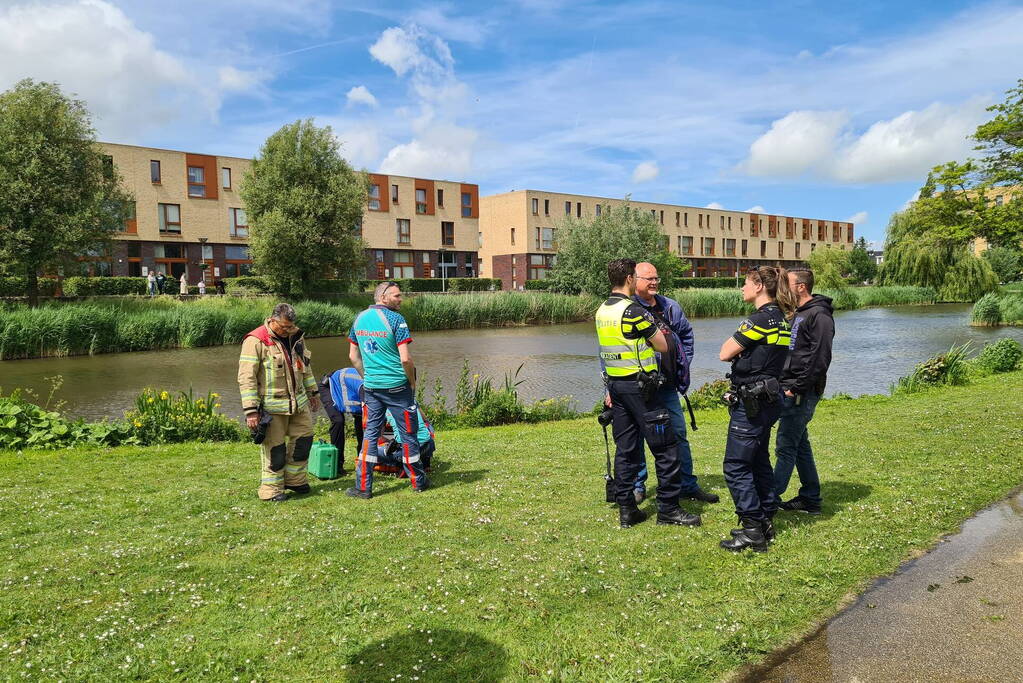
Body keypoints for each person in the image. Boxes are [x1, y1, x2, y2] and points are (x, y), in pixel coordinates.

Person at [597, 258, 700, 529]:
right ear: (630, 279)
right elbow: (663, 344)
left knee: (627, 450)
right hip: (642, 388)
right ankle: (668, 509)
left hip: (617, 388)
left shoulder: (603, 310)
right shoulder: (633, 311)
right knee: (666, 449)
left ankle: (627, 510)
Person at [717, 266, 795, 552]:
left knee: (736, 466)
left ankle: (752, 529)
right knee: (759, 460)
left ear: (760, 285)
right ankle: (765, 519)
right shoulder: (782, 319)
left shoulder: (760, 320)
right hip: (767, 400)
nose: (742, 288)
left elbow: (725, 352)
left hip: (752, 403)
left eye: (746, 283)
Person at [630, 261, 719, 505]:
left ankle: (687, 484)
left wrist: (683, 365)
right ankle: (637, 487)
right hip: (637, 387)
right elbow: (611, 349)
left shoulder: (670, 307)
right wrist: (609, 387)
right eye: (648, 279)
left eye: (656, 278)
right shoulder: (626, 309)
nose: (654, 282)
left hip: (667, 386)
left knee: (678, 434)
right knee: (637, 436)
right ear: (634, 280)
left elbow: (687, 336)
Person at [346, 281, 429, 497]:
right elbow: (406, 359)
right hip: (397, 387)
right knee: (408, 434)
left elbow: (353, 357)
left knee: (370, 435)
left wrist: (368, 377)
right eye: (397, 296)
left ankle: (363, 488)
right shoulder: (396, 319)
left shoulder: (359, 318)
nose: (401, 299)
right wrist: (411, 382)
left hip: (372, 388)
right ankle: (418, 482)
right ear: (383, 296)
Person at [238, 303, 321, 501]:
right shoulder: (256, 340)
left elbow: (305, 367)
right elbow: (246, 376)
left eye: (290, 326)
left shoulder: (297, 336)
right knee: (275, 449)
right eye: (283, 327)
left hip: (299, 404)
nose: (287, 330)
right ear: (272, 320)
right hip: (272, 408)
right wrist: (251, 411)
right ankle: (271, 491)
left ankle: (295, 480)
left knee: (304, 440)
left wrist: (313, 393)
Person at [774, 266, 835, 515]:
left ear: (800, 287)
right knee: (800, 444)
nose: (783, 288)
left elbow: (820, 359)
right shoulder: (799, 313)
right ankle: (810, 498)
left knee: (786, 444)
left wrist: (796, 388)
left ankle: (768, 497)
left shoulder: (819, 316)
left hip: (801, 392)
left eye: (787, 283)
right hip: (792, 387)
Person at [320, 367, 365, 474]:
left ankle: (361, 460)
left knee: (361, 421)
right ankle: (337, 464)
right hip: (329, 387)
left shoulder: (374, 385)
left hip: (349, 390)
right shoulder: (364, 386)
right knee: (338, 421)